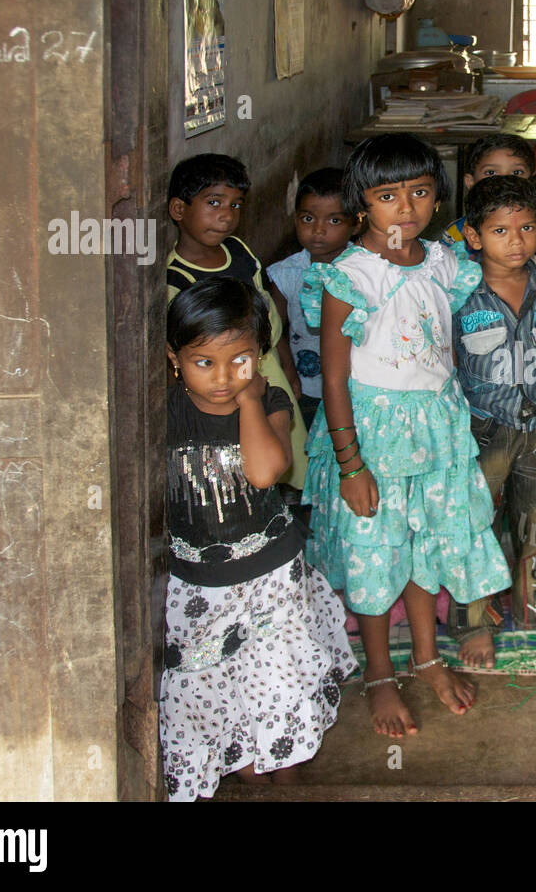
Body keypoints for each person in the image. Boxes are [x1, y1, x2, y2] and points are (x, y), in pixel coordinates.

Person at [300, 134, 511, 737]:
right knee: (374, 553)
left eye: (420, 192)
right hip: (371, 436)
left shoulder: (445, 264)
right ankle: (378, 675)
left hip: (438, 428)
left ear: (438, 197)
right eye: (388, 196)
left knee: (425, 546)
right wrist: (350, 464)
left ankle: (426, 659)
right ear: (362, 203)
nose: (407, 208)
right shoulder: (350, 276)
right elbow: (335, 379)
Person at [160, 277, 356, 802]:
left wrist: (249, 398)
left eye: (240, 361)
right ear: (174, 358)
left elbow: (267, 470)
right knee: (211, 678)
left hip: (270, 572)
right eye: (205, 362)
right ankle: (244, 764)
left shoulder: (269, 403)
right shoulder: (164, 413)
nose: (223, 378)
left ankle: (285, 771)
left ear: (261, 355)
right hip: (199, 582)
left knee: (276, 678)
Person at [445, 176, 536, 667]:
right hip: (480, 431)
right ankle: (474, 621)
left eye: (527, 228)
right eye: (501, 230)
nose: (518, 240)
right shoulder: (457, 293)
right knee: (474, 525)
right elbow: (442, 364)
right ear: (474, 237)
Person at [165, 153, 309, 489]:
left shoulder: (239, 251)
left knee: (287, 443)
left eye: (235, 205)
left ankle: (288, 496)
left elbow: (268, 315)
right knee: (237, 454)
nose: (226, 216)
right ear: (178, 210)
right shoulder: (178, 279)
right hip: (222, 382)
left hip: (266, 365)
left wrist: (286, 365)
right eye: (214, 202)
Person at [266, 168, 358, 432]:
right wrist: (288, 371)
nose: (318, 230)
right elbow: (274, 329)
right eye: (308, 218)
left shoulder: (365, 269)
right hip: (304, 386)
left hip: (355, 384)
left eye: (334, 221)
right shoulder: (287, 273)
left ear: (356, 223)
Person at [441, 134, 536, 252]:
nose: (503, 181)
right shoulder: (456, 233)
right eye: (491, 172)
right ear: (470, 182)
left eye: (516, 172)